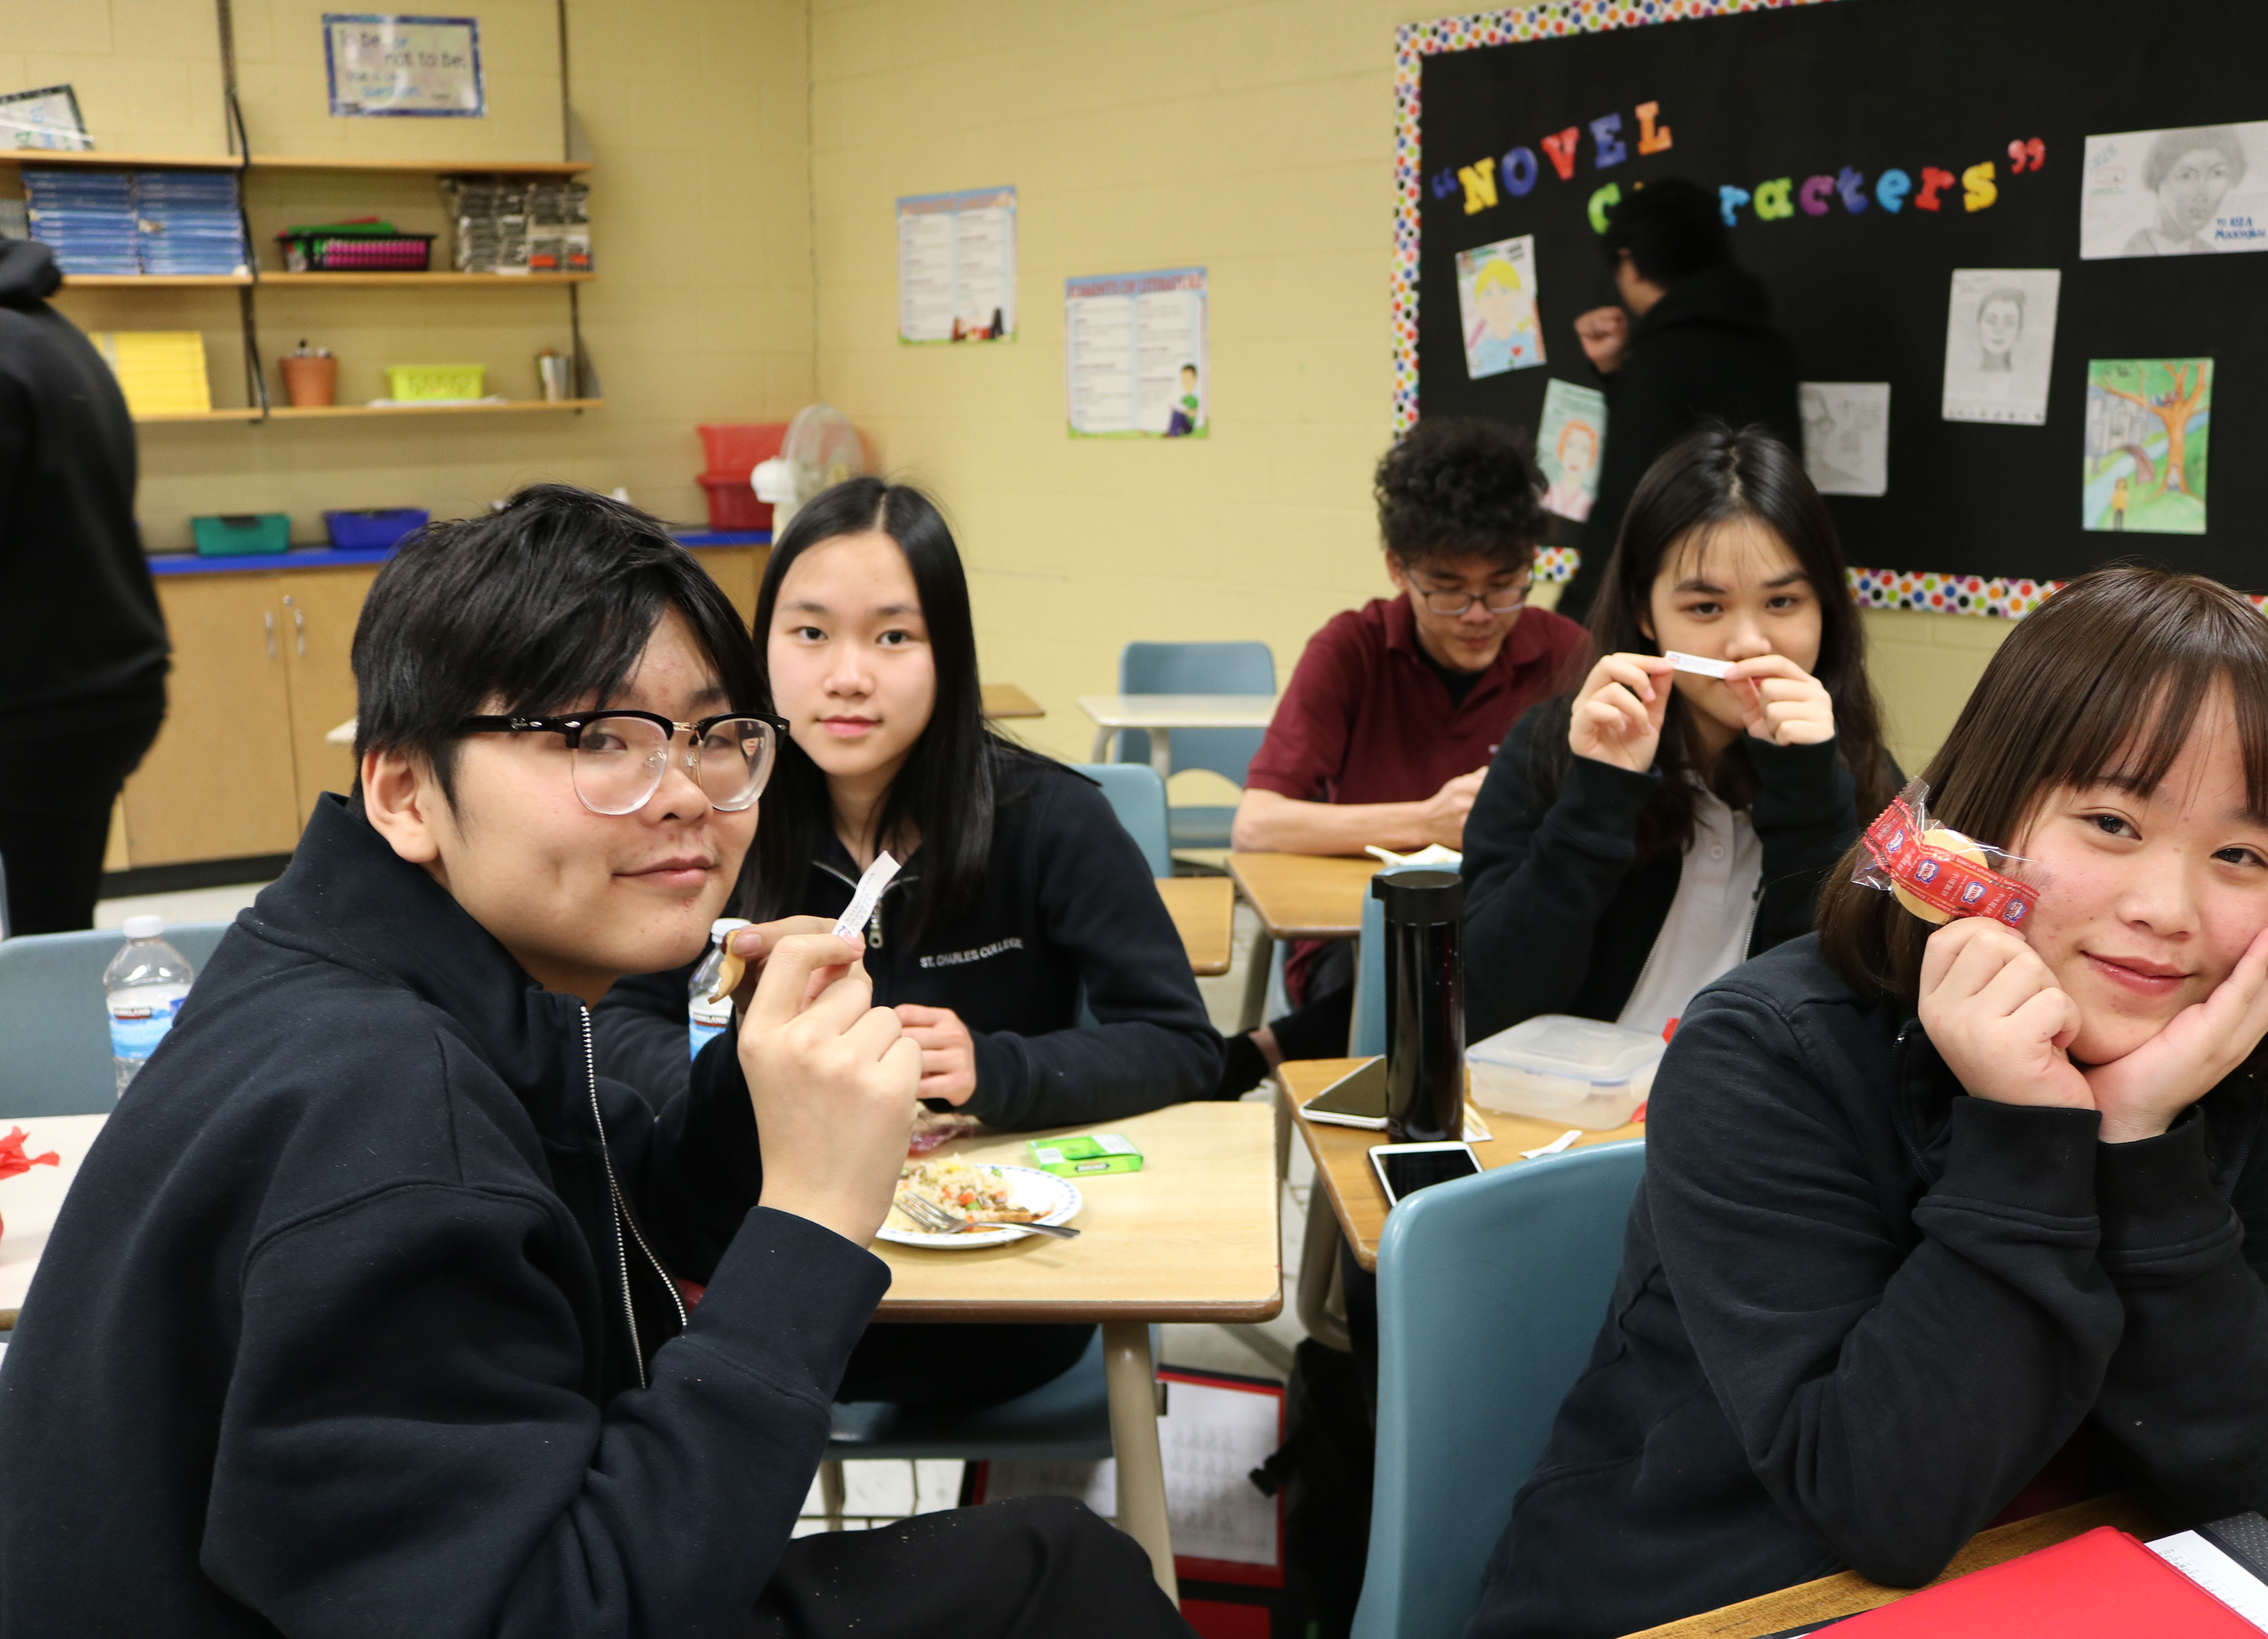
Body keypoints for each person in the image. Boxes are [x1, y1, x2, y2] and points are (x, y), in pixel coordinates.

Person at [0, 485, 1191, 1637]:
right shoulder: (393, 1116)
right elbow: (550, 1607)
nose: (684, 796)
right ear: (405, 789)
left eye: (713, 735)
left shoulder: (382, 965)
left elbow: (621, 1194)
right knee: (1062, 1573)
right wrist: (817, 1217)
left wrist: (750, 1084)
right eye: (598, 737)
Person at [1467, 565, 2268, 1639]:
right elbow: (1883, 1508)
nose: (2166, 911)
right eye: (2111, 823)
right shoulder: (1769, 1053)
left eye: (2240, 855)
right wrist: (2032, 1129)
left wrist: (2140, 1138)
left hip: (2075, 1598)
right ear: (1988, 821)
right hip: (1715, 1599)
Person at [598, 477, 1221, 1410]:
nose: (848, 675)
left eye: (893, 635)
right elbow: (612, 1022)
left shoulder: (1051, 820)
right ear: (761, 650)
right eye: (810, 633)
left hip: (1002, 1302)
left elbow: (1181, 1044)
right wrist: (747, 1080)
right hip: (774, 1287)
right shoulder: (718, 816)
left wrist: (993, 1070)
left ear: (949, 653)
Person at [1460, 425, 1894, 1045]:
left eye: (1783, 603)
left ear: (1825, 607)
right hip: (1564, 1121)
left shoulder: (1862, 777)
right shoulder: (1553, 748)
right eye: (1706, 609)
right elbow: (1484, 1007)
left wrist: (1809, 793)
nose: (1749, 644)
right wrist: (1600, 795)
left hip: (1748, 1124)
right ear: (1645, 613)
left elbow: (1847, 1034)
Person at [1220, 418, 1587, 1092]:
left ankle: (1271, 1049)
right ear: (1398, 568)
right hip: (1361, 948)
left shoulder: (1568, 656)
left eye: (1505, 585)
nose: (1478, 614)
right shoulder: (1350, 651)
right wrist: (1426, 821)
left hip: (1514, 929)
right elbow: (1258, 824)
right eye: (1447, 589)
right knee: (1413, 983)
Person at [0, 237, 168, 935]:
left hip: (34, 704)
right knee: (51, 933)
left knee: (36, 953)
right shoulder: (47, 332)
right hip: (90, 693)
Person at [1559, 178, 1801, 624]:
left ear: (1629, 261)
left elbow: (1624, 508)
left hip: (1688, 609)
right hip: (1768, 599)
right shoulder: (1772, 351)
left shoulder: (1660, 360)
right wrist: (1619, 372)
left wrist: (1574, 620)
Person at [2120, 125, 2246, 257]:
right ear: (2159, 179)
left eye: (2218, 174)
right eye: (2187, 176)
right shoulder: (2133, 250)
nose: (2202, 194)